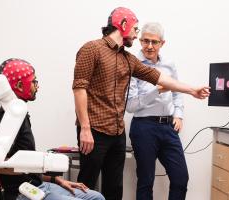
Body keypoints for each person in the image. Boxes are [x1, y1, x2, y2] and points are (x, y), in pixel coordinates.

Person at [72, 7, 210, 200]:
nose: (137, 36)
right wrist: (85, 128)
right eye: (136, 30)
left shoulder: (128, 59)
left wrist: (192, 90)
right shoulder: (92, 49)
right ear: (123, 25)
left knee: (114, 188)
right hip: (94, 130)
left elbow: (160, 78)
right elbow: (79, 88)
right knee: (86, 184)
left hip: (117, 133)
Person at [0, 58, 105, 200]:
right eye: (34, 81)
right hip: (22, 192)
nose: (37, 86)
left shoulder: (19, 114)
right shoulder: (6, 119)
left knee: (96, 197)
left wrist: (58, 180)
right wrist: (32, 165)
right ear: (20, 85)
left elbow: (27, 166)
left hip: (39, 184)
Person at [126, 22, 190, 200]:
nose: (149, 46)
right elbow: (130, 106)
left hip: (168, 127)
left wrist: (178, 114)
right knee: (146, 181)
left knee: (180, 178)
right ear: (140, 41)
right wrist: (157, 90)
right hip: (143, 127)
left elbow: (177, 92)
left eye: (154, 42)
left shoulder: (169, 64)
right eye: (145, 41)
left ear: (162, 43)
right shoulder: (132, 64)